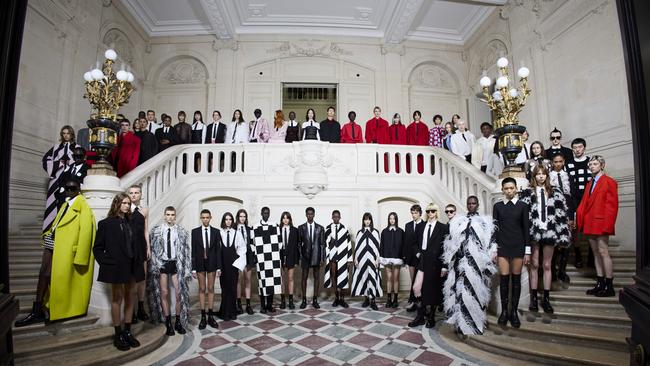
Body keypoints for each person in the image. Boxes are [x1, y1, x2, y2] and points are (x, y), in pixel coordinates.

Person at [15, 179, 96, 327]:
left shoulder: (83, 206)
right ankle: (37, 310)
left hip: (65, 248)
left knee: (50, 276)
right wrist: (48, 234)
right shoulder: (66, 204)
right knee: (43, 274)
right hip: (53, 243)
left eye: (73, 188)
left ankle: (41, 310)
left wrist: (81, 256)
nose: (69, 191)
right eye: (67, 188)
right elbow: (57, 224)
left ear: (79, 189)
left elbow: (86, 232)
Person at [94, 193, 143, 351]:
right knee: (117, 299)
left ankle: (127, 332)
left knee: (130, 298)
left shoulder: (132, 223)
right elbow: (97, 248)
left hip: (132, 266)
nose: (127, 206)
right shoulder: (105, 224)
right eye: (124, 203)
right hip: (116, 267)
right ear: (117, 204)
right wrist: (107, 263)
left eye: (128, 203)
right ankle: (118, 334)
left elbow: (137, 244)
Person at [520, 165, 571, 314]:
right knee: (534, 265)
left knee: (547, 265)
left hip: (550, 231)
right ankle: (534, 298)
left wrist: (562, 236)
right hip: (534, 232)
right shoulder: (528, 193)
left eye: (543, 174)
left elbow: (562, 215)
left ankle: (546, 299)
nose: (541, 176)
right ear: (534, 176)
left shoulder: (556, 192)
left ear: (547, 176)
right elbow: (524, 216)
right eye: (538, 174)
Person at [443, 196, 497, 336]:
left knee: (475, 294)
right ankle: (461, 325)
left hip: (476, 266)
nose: (471, 205)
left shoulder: (484, 222)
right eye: (469, 203)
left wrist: (488, 260)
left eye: (474, 203)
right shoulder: (459, 221)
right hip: (460, 264)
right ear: (466, 205)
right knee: (460, 294)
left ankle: (475, 325)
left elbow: (489, 243)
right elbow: (452, 242)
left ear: (477, 205)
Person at [577, 155, 619, 297]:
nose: (592, 166)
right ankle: (600, 283)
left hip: (601, 223)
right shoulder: (590, 183)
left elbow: (612, 207)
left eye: (595, 164)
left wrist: (608, 226)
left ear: (602, 165)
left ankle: (609, 285)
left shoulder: (609, 182)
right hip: (590, 222)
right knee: (595, 253)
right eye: (590, 164)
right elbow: (584, 203)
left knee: (603, 252)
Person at [492, 178, 530, 328]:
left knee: (515, 281)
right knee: (504, 281)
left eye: (511, 188)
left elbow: (526, 229)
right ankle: (504, 312)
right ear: (502, 190)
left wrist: (527, 251)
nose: (509, 191)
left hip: (518, 247)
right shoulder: (498, 206)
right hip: (502, 247)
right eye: (506, 188)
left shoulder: (523, 206)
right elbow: (494, 229)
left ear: (516, 189)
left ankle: (513, 312)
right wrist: (494, 248)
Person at [148, 206, 192, 336]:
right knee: (164, 292)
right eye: (168, 214)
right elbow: (153, 250)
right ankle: (168, 321)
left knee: (179, 293)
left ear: (175, 216)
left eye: (172, 214)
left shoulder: (181, 232)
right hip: (162, 263)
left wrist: (186, 267)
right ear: (164, 215)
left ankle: (178, 321)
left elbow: (185, 251)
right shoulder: (157, 231)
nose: (170, 217)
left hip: (175, 263)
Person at [409, 204, 448, 328]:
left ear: (436, 212)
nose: (430, 213)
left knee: (432, 291)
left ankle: (431, 317)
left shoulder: (442, 227)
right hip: (422, 260)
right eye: (428, 211)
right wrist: (418, 253)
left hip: (435, 262)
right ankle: (420, 316)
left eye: (433, 211)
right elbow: (414, 243)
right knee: (417, 288)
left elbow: (445, 248)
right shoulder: (421, 226)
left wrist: (444, 266)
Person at [42, 125, 78, 235]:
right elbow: (45, 160)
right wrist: (59, 163)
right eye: (64, 133)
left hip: (71, 180)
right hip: (57, 180)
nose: (66, 135)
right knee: (54, 203)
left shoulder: (77, 147)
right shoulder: (56, 148)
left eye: (68, 133)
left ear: (72, 134)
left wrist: (70, 164)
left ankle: (67, 230)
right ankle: (51, 230)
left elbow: (81, 163)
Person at [191, 209, 222, 329]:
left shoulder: (216, 232)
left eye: (207, 217)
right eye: (203, 217)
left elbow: (218, 251)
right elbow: (193, 251)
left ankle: (210, 316)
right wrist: (193, 268)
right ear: (201, 218)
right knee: (202, 288)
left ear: (210, 218)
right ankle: (203, 316)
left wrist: (219, 267)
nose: (205, 219)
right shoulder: (195, 232)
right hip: (199, 263)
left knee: (210, 288)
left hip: (212, 263)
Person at [566, 137, 592, 268]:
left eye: (580, 147)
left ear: (584, 148)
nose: (577, 150)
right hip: (574, 200)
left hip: (589, 200)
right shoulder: (568, 163)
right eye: (575, 148)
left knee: (591, 227)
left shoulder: (591, 162)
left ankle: (592, 257)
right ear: (572, 149)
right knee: (575, 229)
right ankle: (578, 255)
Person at [251, 207, 283, 313]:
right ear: (261, 213)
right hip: (261, 259)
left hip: (273, 258)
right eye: (264, 213)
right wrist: (256, 256)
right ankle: (262, 306)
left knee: (272, 282)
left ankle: (269, 305)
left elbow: (279, 241)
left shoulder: (274, 225)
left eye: (267, 213)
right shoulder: (255, 227)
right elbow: (252, 243)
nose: (266, 215)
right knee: (262, 282)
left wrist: (275, 254)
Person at [549, 154, 574, 283]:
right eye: (555, 162)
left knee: (567, 243)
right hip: (554, 213)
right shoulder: (548, 176)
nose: (558, 164)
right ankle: (552, 270)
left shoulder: (568, 176)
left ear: (564, 162)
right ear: (552, 163)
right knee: (553, 242)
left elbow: (571, 198)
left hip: (566, 212)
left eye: (560, 161)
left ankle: (562, 271)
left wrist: (571, 216)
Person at [127, 185, 150, 324]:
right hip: (130, 248)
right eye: (131, 193)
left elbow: (146, 230)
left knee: (142, 279)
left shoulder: (145, 210)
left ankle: (141, 308)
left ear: (141, 194)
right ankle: (132, 310)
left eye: (136, 193)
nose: (134, 195)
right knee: (132, 281)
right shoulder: (124, 210)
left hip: (142, 247)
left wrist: (149, 248)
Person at [217, 212, 247, 321]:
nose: (228, 221)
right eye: (226, 219)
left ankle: (232, 312)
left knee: (233, 288)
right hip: (223, 265)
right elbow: (216, 251)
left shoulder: (237, 233)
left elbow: (243, 249)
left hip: (233, 265)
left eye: (230, 219)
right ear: (223, 221)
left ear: (232, 221)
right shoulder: (219, 233)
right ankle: (224, 312)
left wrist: (238, 263)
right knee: (224, 288)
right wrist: (218, 267)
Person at [351, 212, 383, 310]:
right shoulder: (360, 232)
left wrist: (377, 259)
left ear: (371, 220)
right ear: (363, 221)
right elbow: (357, 247)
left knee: (373, 278)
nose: (367, 221)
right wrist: (356, 259)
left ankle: (373, 300)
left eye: (369, 219)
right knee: (364, 278)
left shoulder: (375, 232)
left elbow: (378, 247)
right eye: (365, 219)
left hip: (373, 260)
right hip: (362, 260)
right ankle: (366, 299)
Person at [298, 207, 325, 308]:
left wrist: (322, 258)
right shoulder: (301, 228)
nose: (310, 216)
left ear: (314, 215)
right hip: (305, 256)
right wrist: (301, 257)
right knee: (304, 278)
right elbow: (299, 244)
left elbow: (322, 244)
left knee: (316, 278)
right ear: (306, 215)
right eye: (308, 214)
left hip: (316, 256)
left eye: (311, 214)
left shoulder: (320, 228)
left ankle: (315, 300)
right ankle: (304, 300)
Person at [323, 210, 352, 308]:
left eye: (337, 217)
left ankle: (342, 299)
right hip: (332, 257)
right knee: (334, 276)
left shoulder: (344, 229)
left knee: (343, 276)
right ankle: (336, 298)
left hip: (343, 256)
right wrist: (328, 255)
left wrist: (349, 259)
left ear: (340, 218)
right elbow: (325, 244)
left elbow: (348, 244)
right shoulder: (328, 229)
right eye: (334, 216)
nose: (336, 218)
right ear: (332, 217)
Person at [379, 212, 404, 308]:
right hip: (386, 256)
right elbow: (382, 245)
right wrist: (381, 257)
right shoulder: (384, 231)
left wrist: (402, 257)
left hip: (397, 257)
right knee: (389, 278)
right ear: (388, 220)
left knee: (396, 278)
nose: (392, 220)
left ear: (396, 219)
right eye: (390, 218)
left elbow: (403, 245)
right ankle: (389, 299)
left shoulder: (401, 231)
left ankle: (396, 299)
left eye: (393, 218)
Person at [404, 204, 425, 312]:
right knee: (413, 281)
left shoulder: (425, 225)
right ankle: (413, 301)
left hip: (421, 258)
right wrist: (405, 258)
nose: (414, 215)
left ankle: (420, 302)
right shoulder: (407, 225)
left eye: (416, 213)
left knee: (420, 281)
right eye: (412, 213)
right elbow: (406, 243)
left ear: (420, 213)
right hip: (411, 258)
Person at [235, 209, 255, 314]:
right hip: (238, 257)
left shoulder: (249, 229)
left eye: (244, 216)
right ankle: (238, 304)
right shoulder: (234, 229)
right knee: (238, 280)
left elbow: (252, 243)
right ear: (237, 217)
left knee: (247, 280)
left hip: (248, 256)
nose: (242, 218)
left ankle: (248, 304)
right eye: (240, 216)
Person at [279, 211, 299, 309]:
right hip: (281, 256)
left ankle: (290, 300)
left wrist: (296, 260)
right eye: (284, 218)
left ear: (290, 219)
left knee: (291, 278)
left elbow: (296, 246)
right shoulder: (278, 230)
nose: (285, 220)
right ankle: (283, 301)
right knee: (282, 279)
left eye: (287, 218)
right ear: (282, 219)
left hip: (291, 256)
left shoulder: (295, 230)